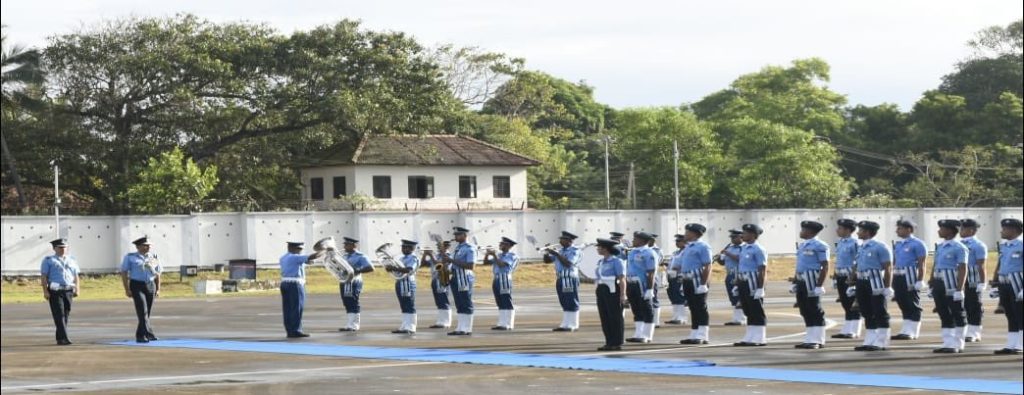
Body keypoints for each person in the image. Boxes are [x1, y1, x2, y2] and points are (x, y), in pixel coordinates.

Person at [852, 221, 894, 352]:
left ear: (867, 232)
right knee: (866, 311)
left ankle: (882, 341)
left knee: (879, 311)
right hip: (861, 280)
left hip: (875, 281)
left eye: (860, 230)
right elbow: (857, 266)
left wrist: (887, 286)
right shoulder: (861, 246)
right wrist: (852, 282)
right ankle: (870, 340)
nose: (858, 232)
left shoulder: (880, 246)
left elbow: (888, 267)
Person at [930, 220, 969, 353]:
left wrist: (960, 289)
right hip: (939, 282)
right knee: (943, 313)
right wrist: (931, 282)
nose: (939, 231)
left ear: (951, 231)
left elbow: (963, 268)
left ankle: (958, 343)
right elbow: (935, 266)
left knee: (957, 313)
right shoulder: (940, 246)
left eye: (942, 228)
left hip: (951, 283)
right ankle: (948, 342)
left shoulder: (959, 247)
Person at [729, 224, 768, 347]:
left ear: (753, 235)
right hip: (743, 281)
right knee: (748, 310)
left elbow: (762, 269)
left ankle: (760, 337)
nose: (742, 235)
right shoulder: (745, 248)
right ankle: (750, 336)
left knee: (756, 310)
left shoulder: (758, 249)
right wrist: (737, 283)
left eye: (745, 233)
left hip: (753, 283)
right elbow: (742, 266)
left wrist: (761, 288)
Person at [793, 220, 830, 349]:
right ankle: (809, 338)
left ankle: (818, 340)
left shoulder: (820, 245)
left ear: (810, 232)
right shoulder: (803, 245)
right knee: (805, 309)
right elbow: (799, 265)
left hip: (812, 280)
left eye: (803, 229)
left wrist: (820, 285)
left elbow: (825, 266)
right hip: (802, 280)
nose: (801, 232)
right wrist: (795, 281)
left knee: (815, 309)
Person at [676, 224, 713, 345]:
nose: (685, 234)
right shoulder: (688, 247)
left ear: (695, 234)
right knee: (692, 307)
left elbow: (708, 265)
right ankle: (694, 333)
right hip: (687, 280)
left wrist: (703, 284)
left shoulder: (703, 247)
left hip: (697, 280)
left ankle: (703, 335)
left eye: (688, 232)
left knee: (700, 307)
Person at [120, 236, 161, 343]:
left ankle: (146, 333)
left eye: (149, 245)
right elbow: (124, 273)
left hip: (150, 284)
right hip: (137, 285)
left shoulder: (153, 257)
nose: (148, 247)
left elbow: (158, 274)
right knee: (142, 310)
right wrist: (127, 289)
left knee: (147, 312)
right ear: (138, 247)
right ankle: (143, 335)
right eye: (145, 245)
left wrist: (158, 288)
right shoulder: (130, 257)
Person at [891, 219, 927, 341]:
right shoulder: (899, 244)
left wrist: (920, 280)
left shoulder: (918, 244)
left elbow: (922, 263)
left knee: (912, 303)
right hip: (898, 275)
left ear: (909, 229)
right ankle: (905, 330)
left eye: (900, 228)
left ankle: (913, 331)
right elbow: (895, 262)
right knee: (902, 303)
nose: (897, 230)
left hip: (910, 275)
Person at [40, 238, 80, 345]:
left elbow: (76, 276)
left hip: (68, 290)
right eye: (60, 247)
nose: (63, 249)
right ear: (54, 248)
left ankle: (60, 338)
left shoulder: (72, 259)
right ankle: (64, 338)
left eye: (64, 247)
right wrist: (45, 291)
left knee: (66, 314)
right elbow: (44, 276)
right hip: (55, 291)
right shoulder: (48, 260)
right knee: (59, 314)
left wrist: (77, 288)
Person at [992, 218, 1023, 355]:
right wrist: (995, 284)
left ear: (1014, 230)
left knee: (1020, 314)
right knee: (1010, 314)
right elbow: (1000, 266)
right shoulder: (1004, 246)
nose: (1002, 231)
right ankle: (1011, 344)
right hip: (1005, 283)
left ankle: (1021, 345)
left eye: (1005, 229)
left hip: (1018, 282)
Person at [279, 241, 322, 338]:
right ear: (293, 248)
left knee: (288, 309)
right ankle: (296, 330)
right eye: (299, 249)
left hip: (285, 283)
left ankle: (290, 330)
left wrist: (306, 261)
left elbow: (304, 261)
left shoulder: (283, 257)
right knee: (297, 308)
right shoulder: (295, 257)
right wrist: (325, 250)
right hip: (295, 285)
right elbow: (312, 257)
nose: (300, 251)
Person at [594, 238, 628, 351]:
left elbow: (622, 279)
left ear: (606, 249)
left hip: (613, 290)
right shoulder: (601, 262)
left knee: (615, 317)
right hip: (602, 289)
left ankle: (616, 342)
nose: (598, 249)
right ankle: (608, 341)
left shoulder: (616, 261)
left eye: (600, 247)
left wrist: (623, 295)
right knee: (605, 317)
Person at [544, 231, 582, 332]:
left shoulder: (575, 250)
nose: (560, 241)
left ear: (569, 241)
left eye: (563, 239)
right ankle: (565, 324)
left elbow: (568, 263)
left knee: (571, 300)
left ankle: (573, 324)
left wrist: (556, 253)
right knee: (564, 301)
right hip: (560, 278)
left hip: (569, 278)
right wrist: (547, 252)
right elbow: (547, 261)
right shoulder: (560, 251)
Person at [831, 219, 862, 339]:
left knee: (853, 303)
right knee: (845, 302)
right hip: (841, 275)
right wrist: (835, 276)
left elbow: (859, 261)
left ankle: (854, 330)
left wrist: (854, 278)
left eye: (840, 228)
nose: (837, 230)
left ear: (848, 230)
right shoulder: (841, 242)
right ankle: (847, 328)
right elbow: (838, 261)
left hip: (851, 277)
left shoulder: (855, 243)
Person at [958, 219, 988, 342]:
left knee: (974, 306)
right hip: (960, 279)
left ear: (972, 230)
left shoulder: (978, 245)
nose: (960, 231)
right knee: (961, 307)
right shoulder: (959, 244)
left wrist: (982, 282)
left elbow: (982, 265)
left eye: (963, 228)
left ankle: (974, 332)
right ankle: (964, 330)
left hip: (972, 279)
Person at [625, 231, 658, 343]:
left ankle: (647, 334)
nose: (633, 240)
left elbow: (651, 272)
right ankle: (638, 333)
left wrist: (650, 289)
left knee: (646, 309)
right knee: (636, 308)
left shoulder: (649, 253)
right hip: (631, 283)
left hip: (642, 284)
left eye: (636, 239)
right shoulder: (633, 252)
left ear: (643, 241)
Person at [338, 237, 374, 332]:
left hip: (354, 281)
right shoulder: (344, 256)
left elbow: (370, 268)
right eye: (344, 245)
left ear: (354, 246)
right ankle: (349, 324)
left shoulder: (361, 256)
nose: (345, 247)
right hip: (345, 281)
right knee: (346, 302)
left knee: (353, 301)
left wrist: (357, 270)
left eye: (347, 245)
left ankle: (354, 325)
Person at [446, 227, 477, 336]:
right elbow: (453, 264)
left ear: (464, 235)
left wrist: (451, 260)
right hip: (455, 277)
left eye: (458, 235)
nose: (455, 237)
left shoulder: (470, 248)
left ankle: (467, 328)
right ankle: (460, 327)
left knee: (466, 302)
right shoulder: (458, 248)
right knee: (459, 304)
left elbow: (470, 265)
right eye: (455, 235)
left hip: (464, 278)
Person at [387, 240, 420, 334]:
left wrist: (394, 268)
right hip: (400, 282)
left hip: (408, 282)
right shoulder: (401, 259)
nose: (404, 249)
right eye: (403, 247)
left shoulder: (413, 258)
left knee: (409, 305)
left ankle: (411, 327)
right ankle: (405, 325)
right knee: (404, 305)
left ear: (412, 248)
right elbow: (398, 271)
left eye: (407, 247)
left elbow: (409, 269)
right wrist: (391, 268)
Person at [487, 237, 520, 330]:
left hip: (504, 278)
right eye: (500, 243)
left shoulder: (512, 255)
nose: (500, 245)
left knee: (506, 300)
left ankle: (509, 324)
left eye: (503, 244)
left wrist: (494, 255)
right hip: (496, 279)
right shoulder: (499, 255)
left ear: (509, 245)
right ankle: (501, 323)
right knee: (500, 302)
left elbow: (502, 265)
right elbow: (485, 263)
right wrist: (487, 254)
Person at [718, 229, 746, 326]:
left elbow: (741, 259)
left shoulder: (745, 248)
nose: (732, 239)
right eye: (731, 237)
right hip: (730, 274)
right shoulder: (730, 247)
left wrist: (727, 253)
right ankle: (736, 318)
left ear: (741, 237)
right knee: (733, 297)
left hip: (739, 274)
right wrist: (720, 257)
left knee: (740, 297)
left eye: (734, 237)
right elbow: (722, 262)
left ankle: (742, 318)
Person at [423, 240, 453, 329]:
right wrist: (425, 255)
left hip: (443, 278)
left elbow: (439, 266)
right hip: (435, 279)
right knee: (439, 301)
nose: (438, 248)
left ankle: (446, 322)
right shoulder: (437, 256)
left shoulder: (449, 256)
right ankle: (440, 321)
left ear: (447, 247)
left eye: (440, 246)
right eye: (438, 246)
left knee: (443, 300)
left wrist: (431, 255)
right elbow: (423, 264)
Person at [664, 234, 690, 325]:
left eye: (679, 241)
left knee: (680, 296)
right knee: (673, 295)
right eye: (676, 241)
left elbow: (688, 263)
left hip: (680, 276)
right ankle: (676, 316)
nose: (677, 243)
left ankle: (682, 317)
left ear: (685, 242)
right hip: (672, 276)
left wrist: (679, 267)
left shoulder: (687, 252)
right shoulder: (676, 253)